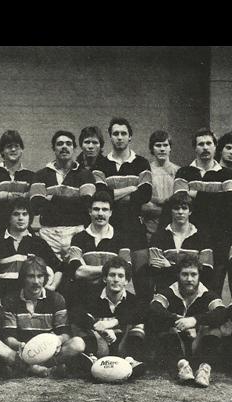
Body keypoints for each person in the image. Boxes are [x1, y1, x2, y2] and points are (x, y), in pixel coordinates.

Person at [0, 256, 85, 378]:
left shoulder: (56, 299)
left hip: (49, 353)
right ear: (23, 278)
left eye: (40, 276)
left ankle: (32, 369)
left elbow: (65, 333)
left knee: (78, 343)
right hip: (22, 353)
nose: (36, 281)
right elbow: (9, 337)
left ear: (45, 278)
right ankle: (39, 369)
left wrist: (57, 340)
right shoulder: (11, 300)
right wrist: (20, 345)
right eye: (31, 276)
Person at [174, 127, 232, 295]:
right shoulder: (184, 172)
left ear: (215, 147)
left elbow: (230, 202)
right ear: (195, 148)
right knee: (191, 282)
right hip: (193, 235)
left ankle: (211, 320)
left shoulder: (227, 174)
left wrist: (196, 194)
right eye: (200, 144)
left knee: (214, 286)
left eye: (209, 143)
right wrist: (216, 195)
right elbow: (180, 198)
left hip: (220, 237)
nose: (205, 147)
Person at [93, 117, 152, 300]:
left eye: (123, 133)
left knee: (143, 280)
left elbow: (145, 194)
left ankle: (144, 324)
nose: (119, 137)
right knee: (113, 278)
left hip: (135, 227)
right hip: (112, 228)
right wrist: (131, 188)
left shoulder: (141, 163)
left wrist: (114, 194)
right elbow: (102, 196)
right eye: (115, 134)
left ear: (130, 137)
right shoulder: (100, 164)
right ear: (110, 137)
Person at [148, 255, 227, 388]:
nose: (189, 279)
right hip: (177, 344)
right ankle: (182, 366)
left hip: (199, 344)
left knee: (214, 329)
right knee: (163, 325)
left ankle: (204, 369)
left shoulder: (207, 294)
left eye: (193, 274)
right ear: (178, 275)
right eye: (185, 274)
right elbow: (154, 308)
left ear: (199, 276)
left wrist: (195, 320)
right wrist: (178, 320)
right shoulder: (169, 291)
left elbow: (222, 312)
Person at [69, 256, 146, 376]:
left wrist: (114, 322)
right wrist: (97, 326)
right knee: (79, 325)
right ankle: (91, 358)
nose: (116, 279)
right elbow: (76, 312)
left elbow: (142, 313)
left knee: (139, 324)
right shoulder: (92, 296)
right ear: (105, 278)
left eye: (120, 276)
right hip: (99, 344)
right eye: (112, 275)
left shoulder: (133, 300)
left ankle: (130, 360)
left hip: (122, 346)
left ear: (126, 281)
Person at [30, 130, 96, 261]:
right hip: (48, 233)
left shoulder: (86, 175)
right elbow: (36, 205)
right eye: (60, 144)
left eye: (68, 143)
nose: (64, 147)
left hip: (76, 231)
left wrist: (53, 198)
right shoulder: (41, 175)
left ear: (74, 148)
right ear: (54, 148)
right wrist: (74, 199)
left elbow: (87, 204)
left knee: (74, 272)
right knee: (47, 271)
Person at [0, 197, 62, 297]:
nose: (21, 218)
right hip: (2, 299)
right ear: (9, 217)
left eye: (25, 214)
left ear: (30, 217)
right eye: (16, 214)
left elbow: (59, 268)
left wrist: (52, 286)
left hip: (30, 300)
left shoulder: (38, 243)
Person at [67, 191, 131, 304]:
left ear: (111, 213)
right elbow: (77, 272)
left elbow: (125, 270)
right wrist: (110, 269)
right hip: (84, 295)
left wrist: (87, 268)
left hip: (113, 296)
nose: (100, 213)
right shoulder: (78, 238)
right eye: (96, 209)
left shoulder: (122, 238)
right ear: (90, 212)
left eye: (105, 210)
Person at [149, 191, 213, 291]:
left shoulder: (202, 237)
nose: (180, 212)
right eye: (176, 208)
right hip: (166, 292)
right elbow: (155, 271)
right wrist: (191, 269)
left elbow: (206, 272)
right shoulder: (158, 237)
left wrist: (169, 266)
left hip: (194, 293)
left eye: (184, 208)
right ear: (171, 210)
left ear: (190, 211)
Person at [0, 130, 34, 244]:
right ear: (2, 150)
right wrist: (22, 196)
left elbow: (32, 208)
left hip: (24, 230)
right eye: (9, 146)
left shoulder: (30, 176)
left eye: (17, 146)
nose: (13, 150)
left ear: (22, 150)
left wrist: (4, 196)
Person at [141, 130, 179, 239]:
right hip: (150, 228)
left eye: (165, 145)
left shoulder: (178, 171)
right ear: (152, 148)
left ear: (170, 148)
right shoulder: (146, 172)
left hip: (174, 227)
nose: (162, 149)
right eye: (158, 145)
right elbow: (143, 203)